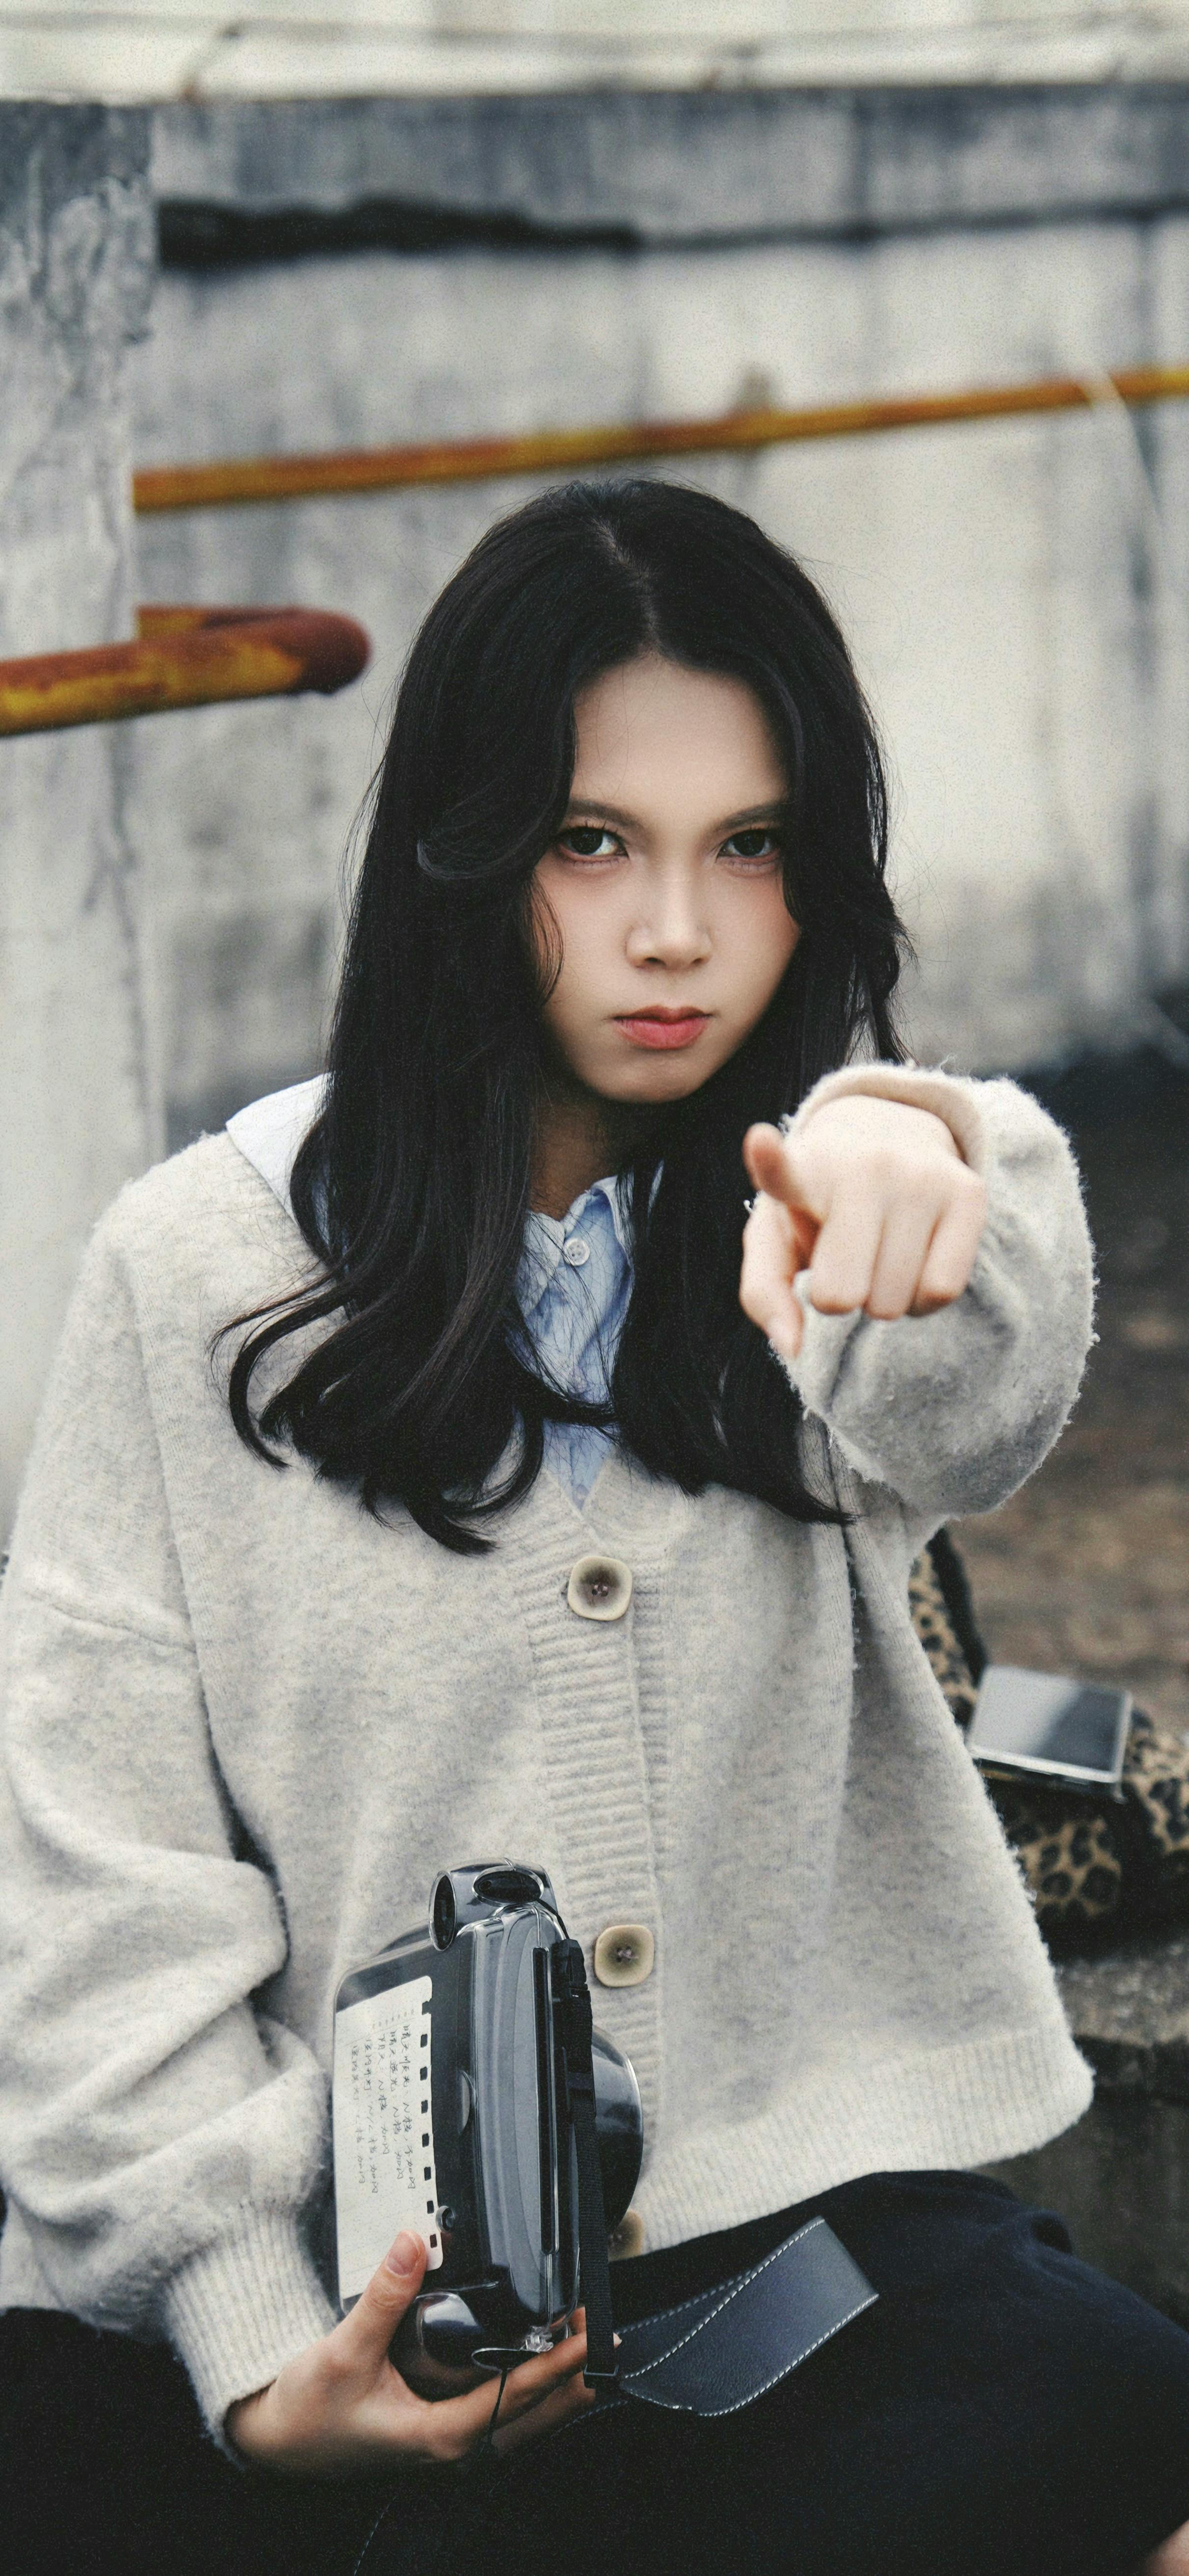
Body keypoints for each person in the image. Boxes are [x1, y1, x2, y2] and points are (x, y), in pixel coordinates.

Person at [1, 477, 1188, 2576]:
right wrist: (269, 2359)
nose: (676, 931)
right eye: (593, 840)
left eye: (750, 847)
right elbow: (111, 1902)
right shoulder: (194, 1273)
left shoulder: (816, 1220)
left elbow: (977, 1386)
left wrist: (922, 1140)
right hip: (334, 2280)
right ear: (471, 851)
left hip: (795, 2254)